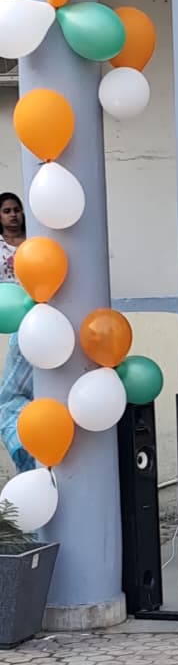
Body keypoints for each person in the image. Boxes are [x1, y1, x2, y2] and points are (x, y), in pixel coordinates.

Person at [0, 193, 33, 474]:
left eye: (17, 209)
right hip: (16, 322)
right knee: (15, 396)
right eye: (7, 211)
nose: (13, 215)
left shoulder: (35, 242)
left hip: (44, 317)